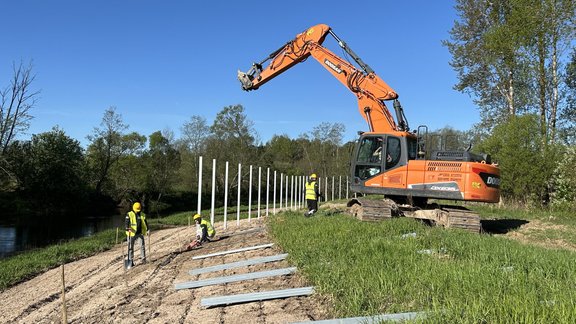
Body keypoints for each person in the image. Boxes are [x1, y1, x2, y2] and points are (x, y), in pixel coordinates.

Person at [125, 202, 149, 266]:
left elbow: (146, 223)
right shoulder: (129, 214)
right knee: (130, 248)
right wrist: (127, 228)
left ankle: (143, 259)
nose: (137, 211)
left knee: (142, 246)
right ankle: (130, 261)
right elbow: (126, 223)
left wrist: (148, 230)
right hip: (131, 234)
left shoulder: (142, 215)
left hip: (139, 234)